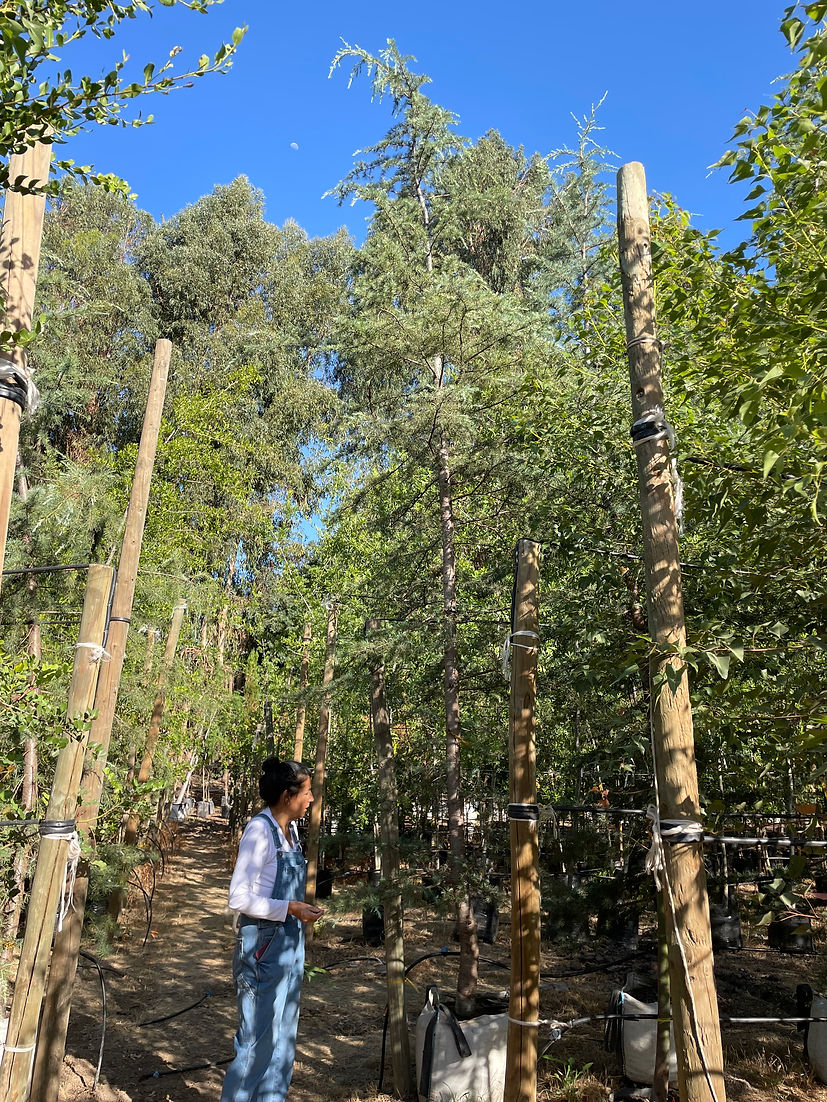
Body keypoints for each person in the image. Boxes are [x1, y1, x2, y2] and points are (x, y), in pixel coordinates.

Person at [220, 758, 324, 1102]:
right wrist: (290, 908)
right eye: (306, 791)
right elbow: (239, 897)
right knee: (255, 1046)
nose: (310, 799)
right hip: (263, 949)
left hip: (291, 947)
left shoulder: (290, 832)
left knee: (282, 1044)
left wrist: (299, 910)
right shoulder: (259, 831)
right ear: (286, 795)